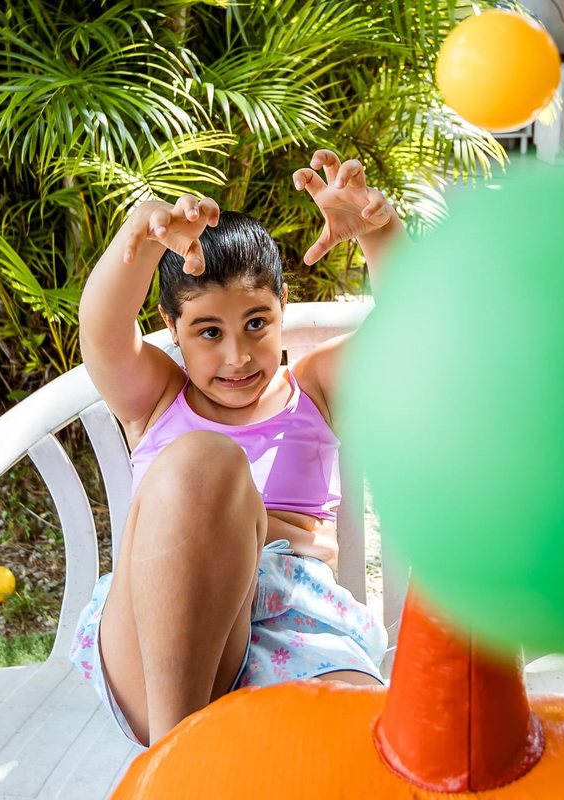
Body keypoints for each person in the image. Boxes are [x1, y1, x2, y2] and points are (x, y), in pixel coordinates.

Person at [68, 149, 404, 747]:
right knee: (206, 460)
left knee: (363, 753)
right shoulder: (154, 400)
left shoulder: (316, 390)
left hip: (296, 622)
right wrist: (139, 241)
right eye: (208, 332)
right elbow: (101, 331)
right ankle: (177, 768)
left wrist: (380, 236)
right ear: (172, 329)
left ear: (281, 311)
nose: (237, 356)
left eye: (256, 323)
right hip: (164, 631)